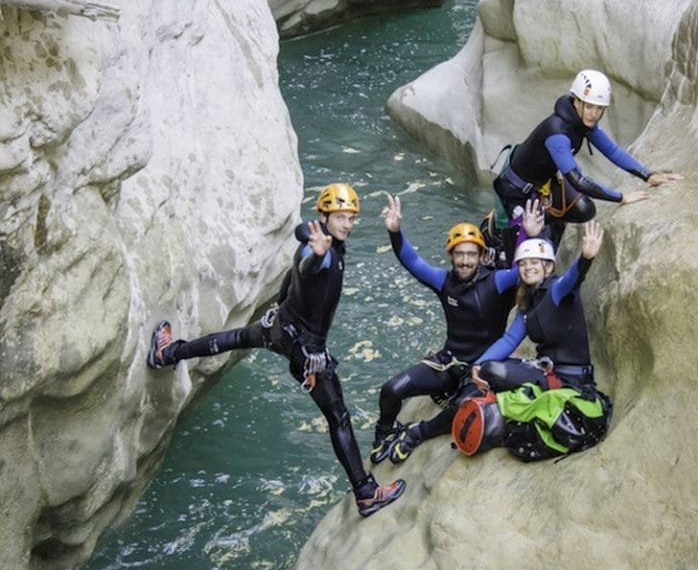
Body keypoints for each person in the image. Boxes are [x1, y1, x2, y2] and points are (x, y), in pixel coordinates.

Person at [146, 183, 406, 519]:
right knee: (338, 417)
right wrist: (317, 252)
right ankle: (366, 493)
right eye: (340, 216)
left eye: (351, 217)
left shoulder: (318, 239)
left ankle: (167, 353)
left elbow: (298, 254)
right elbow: (309, 267)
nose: (347, 224)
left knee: (233, 338)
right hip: (306, 353)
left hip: (280, 328)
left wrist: (312, 246)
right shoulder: (321, 253)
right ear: (324, 216)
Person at [370, 193, 543, 466]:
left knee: (463, 408)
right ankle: (383, 434)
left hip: (479, 370)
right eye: (459, 254)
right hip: (448, 364)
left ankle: (418, 433)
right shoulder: (444, 281)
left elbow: (524, 267)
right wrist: (395, 232)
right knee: (392, 389)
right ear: (451, 256)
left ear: (482, 256)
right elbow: (413, 262)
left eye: (471, 254)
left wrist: (530, 236)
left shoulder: (496, 282)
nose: (465, 261)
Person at [491, 68, 682, 262]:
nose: (594, 114)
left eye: (599, 109)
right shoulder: (557, 132)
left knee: (585, 209)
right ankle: (501, 230)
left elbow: (613, 151)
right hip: (515, 192)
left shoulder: (583, 123)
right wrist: (622, 198)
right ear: (577, 101)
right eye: (590, 107)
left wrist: (648, 175)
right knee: (525, 259)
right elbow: (579, 181)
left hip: (542, 183)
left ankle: (546, 221)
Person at [471, 220, 605, 398]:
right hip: (545, 370)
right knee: (488, 365)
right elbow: (510, 340)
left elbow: (572, 279)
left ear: (548, 267)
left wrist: (585, 259)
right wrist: (478, 364)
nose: (528, 268)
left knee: (493, 370)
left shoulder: (556, 289)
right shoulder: (528, 301)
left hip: (569, 378)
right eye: (523, 264)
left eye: (534, 262)